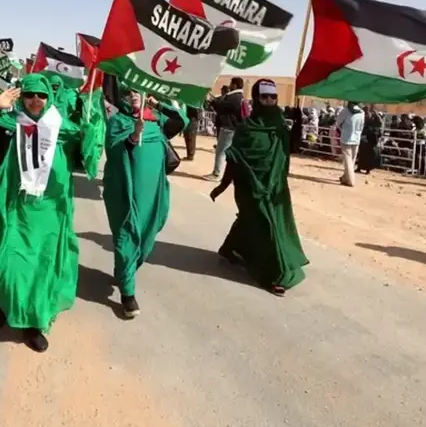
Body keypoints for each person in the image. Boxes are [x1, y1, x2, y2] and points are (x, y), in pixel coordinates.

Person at [0, 74, 101, 353]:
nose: (36, 100)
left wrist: (89, 135)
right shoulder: (8, 126)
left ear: (49, 97)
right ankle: (5, 303)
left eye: (41, 95)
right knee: (9, 268)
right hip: (14, 213)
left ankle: (33, 324)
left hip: (50, 216)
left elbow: (87, 163)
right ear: (21, 97)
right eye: (29, 94)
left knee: (41, 270)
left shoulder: (65, 130)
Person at [209, 79, 307, 295]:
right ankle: (273, 274)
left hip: (275, 186)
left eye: (273, 97)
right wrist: (222, 185)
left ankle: (231, 248)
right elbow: (234, 158)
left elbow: (291, 149)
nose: (269, 100)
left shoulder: (280, 126)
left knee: (261, 222)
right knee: (263, 223)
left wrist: (298, 124)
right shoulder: (246, 127)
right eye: (264, 96)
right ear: (256, 98)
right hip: (249, 185)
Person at [102, 89, 186, 318]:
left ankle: (124, 271)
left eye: (137, 91)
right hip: (125, 192)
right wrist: (133, 136)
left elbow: (181, 121)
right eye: (128, 92)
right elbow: (114, 150)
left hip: (152, 193)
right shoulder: (118, 121)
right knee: (127, 236)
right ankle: (128, 293)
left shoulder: (156, 120)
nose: (133, 95)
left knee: (146, 241)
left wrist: (158, 104)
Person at [205, 77, 247, 181]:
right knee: (231, 154)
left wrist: (210, 99)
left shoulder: (233, 98)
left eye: (231, 83)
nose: (230, 85)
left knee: (221, 152)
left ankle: (217, 174)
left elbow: (220, 106)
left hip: (229, 129)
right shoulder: (240, 97)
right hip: (234, 129)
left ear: (235, 85)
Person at [335, 101, 365, 186]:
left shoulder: (345, 111)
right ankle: (345, 177)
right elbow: (362, 126)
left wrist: (341, 128)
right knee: (352, 160)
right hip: (356, 138)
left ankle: (350, 180)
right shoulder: (362, 112)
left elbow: (338, 123)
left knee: (348, 161)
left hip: (346, 137)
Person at [356, 107, 382, 175]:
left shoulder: (373, 119)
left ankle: (368, 170)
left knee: (369, 155)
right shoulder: (363, 118)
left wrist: (376, 114)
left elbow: (380, 123)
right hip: (364, 138)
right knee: (361, 153)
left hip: (370, 139)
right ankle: (359, 168)